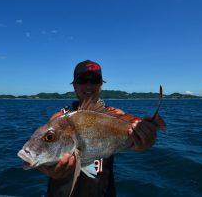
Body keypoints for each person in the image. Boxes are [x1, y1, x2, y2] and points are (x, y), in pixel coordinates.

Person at [39, 60, 158, 197]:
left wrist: (146, 140)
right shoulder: (59, 118)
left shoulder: (114, 115)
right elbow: (43, 151)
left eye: (94, 80)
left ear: (101, 85)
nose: (89, 85)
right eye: (83, 80)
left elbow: (137, 140)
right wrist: (47, 169)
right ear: (74, 86)